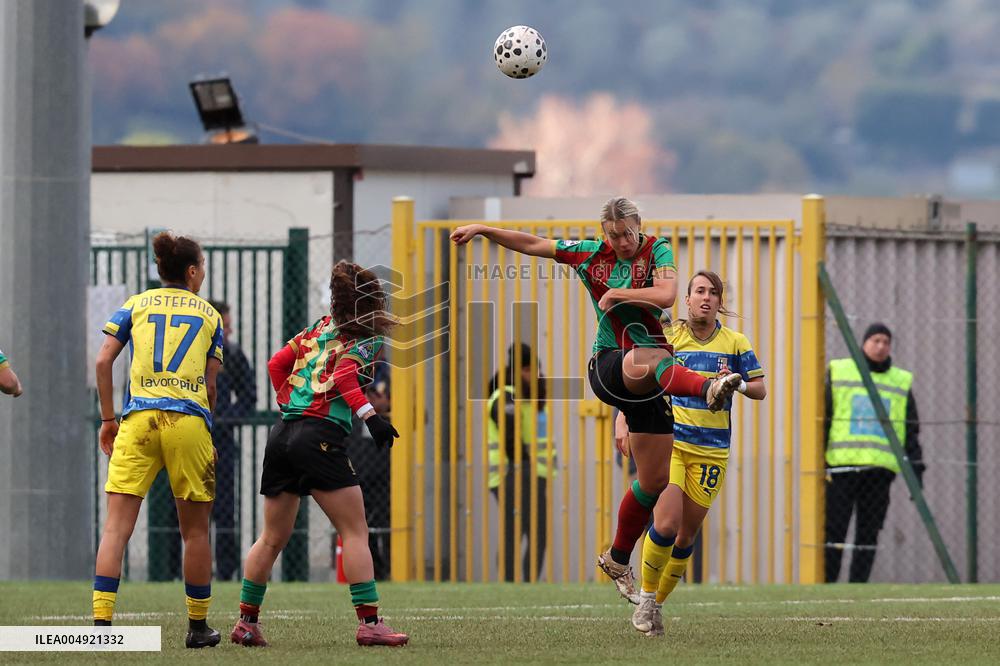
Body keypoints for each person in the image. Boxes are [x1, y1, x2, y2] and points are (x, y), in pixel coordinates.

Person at [452, 196, 743, 603]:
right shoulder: (590, 255)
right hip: (608, 365)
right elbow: (534, 244)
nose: (622, 241)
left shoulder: (656, 249)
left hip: (652, 381)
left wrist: (618, 295)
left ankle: (617, 557)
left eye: (626, 233)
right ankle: (706, 387)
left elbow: (666, 295)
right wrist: (483, 230)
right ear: (603, 233)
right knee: (654, 356)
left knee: (655, 480)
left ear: (638, 225)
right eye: (613, 234)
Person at [231, 260, 409, 648]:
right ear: (373, 300)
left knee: (272, 537)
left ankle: (246, 621)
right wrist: (371, 418)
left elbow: (277, 363)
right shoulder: (367, 337)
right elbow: (345, 376)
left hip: (282, 435)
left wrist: (285, 399)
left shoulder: (317, 328)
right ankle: (370, 622)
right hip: (320, 437)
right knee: (355, 530)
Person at [93, 232, 224, 648]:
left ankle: (101, 627)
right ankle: (198, 628)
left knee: (116, 529)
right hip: (187, 420)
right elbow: (210, 385)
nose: (202, 273)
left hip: (139, 419)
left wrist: (109, 418)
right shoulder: (210, 315)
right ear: (191, 271)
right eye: (201, 266)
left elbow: (102, 359)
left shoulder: (135, 304)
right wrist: (207, 428)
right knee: (196, 532)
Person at [617, 270, 766, 636]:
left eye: (713, 293)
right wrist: (622, 419)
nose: (706, 297)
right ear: (686, 299)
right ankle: (646, 599)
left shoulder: (735, 342)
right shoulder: (671, 337)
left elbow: (761, 388)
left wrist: (738, 383)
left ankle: (658, 606)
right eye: (699, 290)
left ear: (719, 302)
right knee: (665, 524)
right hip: (673, 442)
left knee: (686, 535)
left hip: (713, 451)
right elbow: (640, 376)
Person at [824, 322, 923, 584]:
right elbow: (825, 418)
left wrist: (916, 470)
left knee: (868, 535)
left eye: (885, 342)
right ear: (864, 343)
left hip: (879, 473)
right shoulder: (841, 371)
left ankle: (858, 588)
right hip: (842, 469)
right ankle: (827, 585)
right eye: (875, 340)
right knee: (835, 531)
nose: (880, 346)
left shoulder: (900, 382)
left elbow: (911, 431)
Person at [487, 342, 553, 582]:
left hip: (534, 474)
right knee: (515, 530)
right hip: (510, 474)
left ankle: (527, 582)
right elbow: (510, 438)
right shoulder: (504, 397)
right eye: (529, 370)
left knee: (535, 531)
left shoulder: (529, 397)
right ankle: (510, 580)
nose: (535, 375)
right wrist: (524, 469)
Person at [208, 301, 257, 581]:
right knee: (178, 508)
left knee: (224, 509)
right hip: (187, 436)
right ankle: (173, 570)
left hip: (222, 442)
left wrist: (226, 419)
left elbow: (249, 396)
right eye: (225, 326)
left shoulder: (234, 354)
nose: (230, 331)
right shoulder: (189, 352)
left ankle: (226, 572)